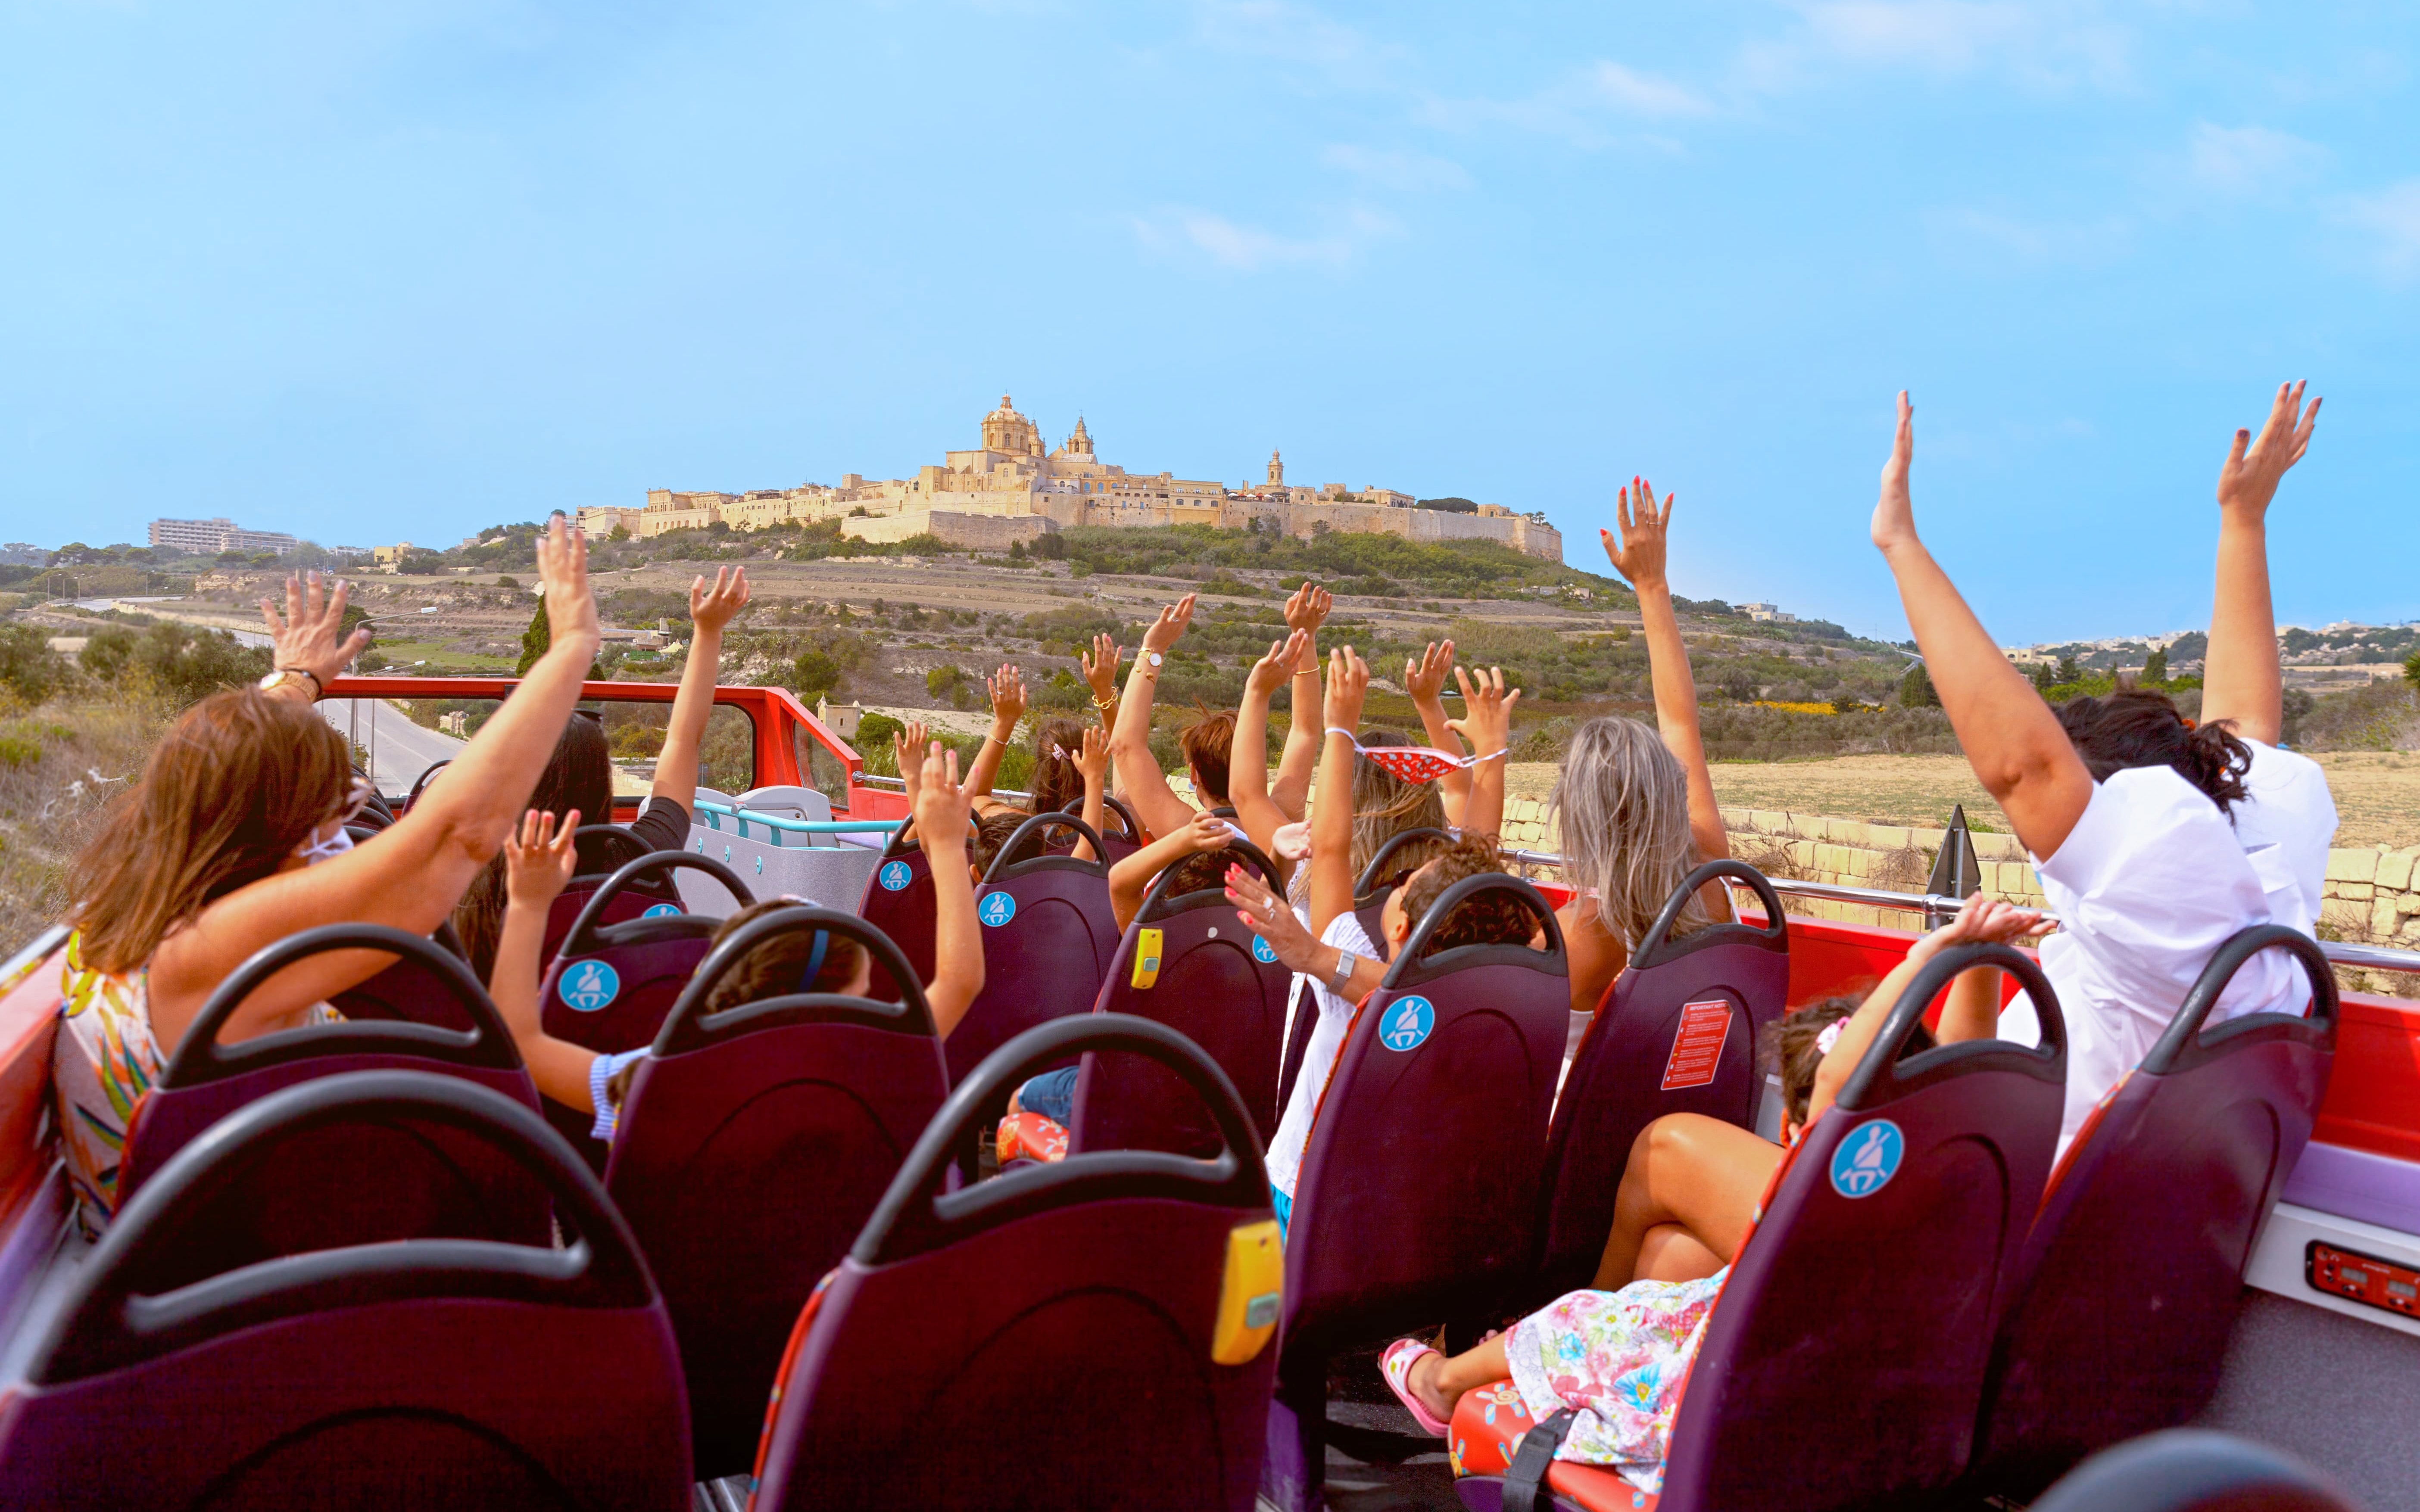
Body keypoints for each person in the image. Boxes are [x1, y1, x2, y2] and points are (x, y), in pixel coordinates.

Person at [1378, 896, 2046, 1497]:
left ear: (1795, 1130)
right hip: (1844, 1396)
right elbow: (1963, 1057)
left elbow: (1846, 1080)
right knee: (1672, 1255)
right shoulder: (1950, 1194)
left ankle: (1442, 1382)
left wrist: (1928, 957)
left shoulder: (1809, 1211)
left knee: (1575, 1320)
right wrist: (1974, 963)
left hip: (1719, 1416)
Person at [54, 516, 602, 1232]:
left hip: (225, 1233)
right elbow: (453, 842)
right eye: (329, 810)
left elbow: (229, 772)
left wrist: (298, 682)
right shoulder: (210, 948)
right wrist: (570, 652)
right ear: (271, 832)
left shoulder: (150, 874)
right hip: (232, 1288)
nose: (341, 826)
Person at [1869, 384, 2333, 1154]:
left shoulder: (2149, 904)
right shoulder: (2252, 874)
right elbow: (2246, 727)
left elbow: (2022, 768)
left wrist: (1900, 544)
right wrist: (2242, 522)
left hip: (2024, 1205)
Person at [487, 742, 986, 1138]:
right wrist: (943, 847)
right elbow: (961, 981)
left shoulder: (650, 1080)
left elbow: (519, 1038)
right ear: (844, 996)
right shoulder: (870, 1062)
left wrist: (529, 904)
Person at [1222, 644, 1519, 1236]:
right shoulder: (1463, 922)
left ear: (1355, 812)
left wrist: (1338, 726)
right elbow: (1480, 846)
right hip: (1403, 1193)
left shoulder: (1343, 932)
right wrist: (1491, 753)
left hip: (1307, 1189)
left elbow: (1328, 845)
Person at [451, 565, 752, 978]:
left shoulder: (467, 880)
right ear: (601, 786)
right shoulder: (642, 857)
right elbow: (683, 742)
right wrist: (708, 632)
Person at [1550, 481, 1732, 1053]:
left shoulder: (1578, 933)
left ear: (1579, 818)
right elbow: (1682, 724)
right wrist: (1652, 586)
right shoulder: (1713, 882)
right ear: (1670, 790)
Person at [1004, 809, 1240, 1130]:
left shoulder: (1154, 944)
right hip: (1197, 1107)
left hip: (1118, 1098)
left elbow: (1120, 881)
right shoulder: (1243, 948)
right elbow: (1275, 888)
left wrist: (1183, 840)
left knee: (1020, 1098)